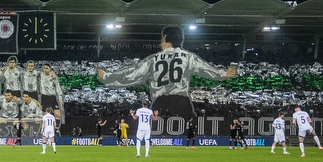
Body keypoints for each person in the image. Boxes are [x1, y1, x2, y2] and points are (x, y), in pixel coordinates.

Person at [97, 26, 237, 119]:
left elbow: (132, 75)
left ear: (165, 38)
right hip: (182, 102)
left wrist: (107, 77)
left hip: (160, 102)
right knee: (188, 132)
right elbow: (207, 70)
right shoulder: (188, 56)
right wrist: (225, 73)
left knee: (158, 134)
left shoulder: (153, 59)